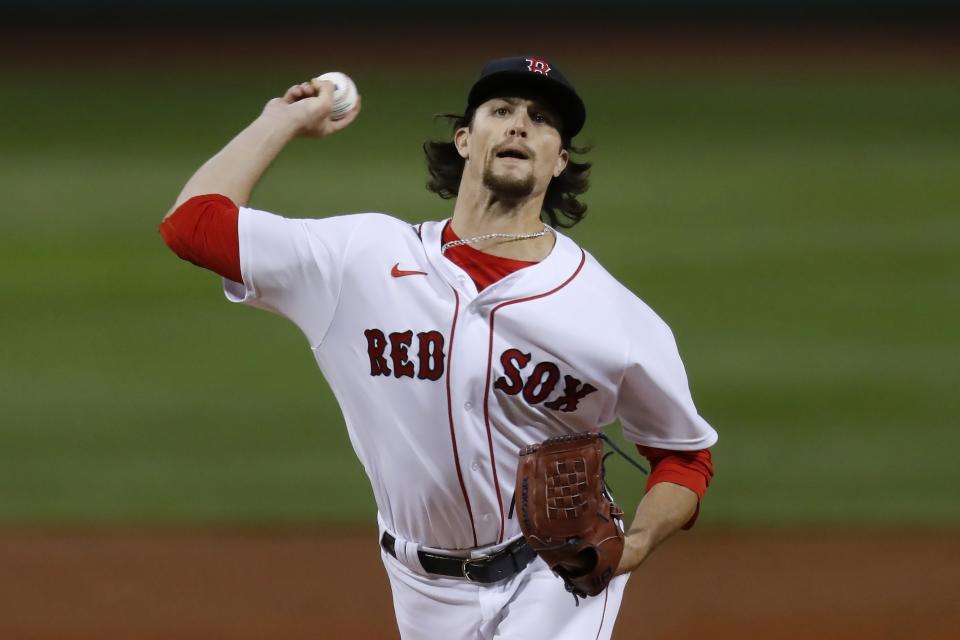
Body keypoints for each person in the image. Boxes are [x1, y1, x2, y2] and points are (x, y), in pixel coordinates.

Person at [160, 56, 718, 640]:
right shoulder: (359, 259)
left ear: (559, 162)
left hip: (556, 579)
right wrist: (280, 121)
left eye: (542, 119)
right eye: (500, 111)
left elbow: (684, 456)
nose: (519, 125)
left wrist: (633, 547)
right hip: (420, 588)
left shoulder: (611, 312)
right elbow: (192, 225)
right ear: (464, 140)